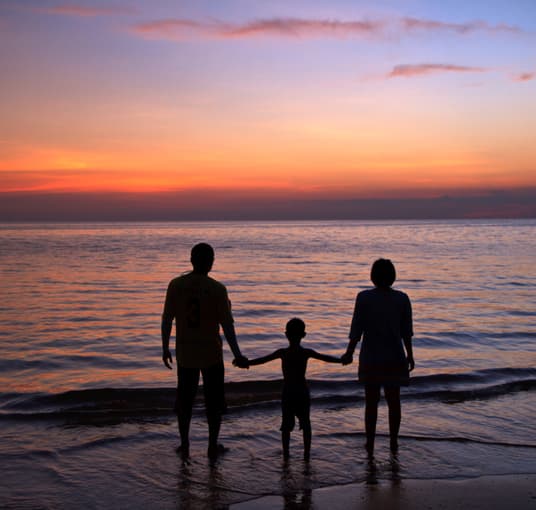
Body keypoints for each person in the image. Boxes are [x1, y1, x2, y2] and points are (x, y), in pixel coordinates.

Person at [161, 242, 248, 459]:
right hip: (211, 354)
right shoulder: (218, 289)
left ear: (191, 260)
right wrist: (237, 354)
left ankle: (184, 443)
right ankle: (212, 444)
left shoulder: (176, 285)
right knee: (214, 402)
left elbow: (167, 319)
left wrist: (164, 348)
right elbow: (228, 326)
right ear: (211, 262)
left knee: (185, 400)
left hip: (185, 353)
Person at [238, 318, 342, 460]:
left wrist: (246, 363)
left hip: (288, 392)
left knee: (286, 426)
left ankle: (286, 454)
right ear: (304, 335)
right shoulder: (306, 352)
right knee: (306, 423)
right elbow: (326, 358)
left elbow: (262, 360)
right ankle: (306, 454)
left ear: (286, 334)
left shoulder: (282, 352)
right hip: (302, 391)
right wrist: (342, 360)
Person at [342, 258, 414, 455]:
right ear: (392, 276)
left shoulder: (364, 298)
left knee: (371, 403)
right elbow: (406, 332)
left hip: (371, 357)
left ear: (373, 276)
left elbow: (356, 329)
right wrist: (410, 354)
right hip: (394, 356)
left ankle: (370, 443)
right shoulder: (402, 298)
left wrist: (349, 352)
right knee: (394, 402)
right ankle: (393, 442)